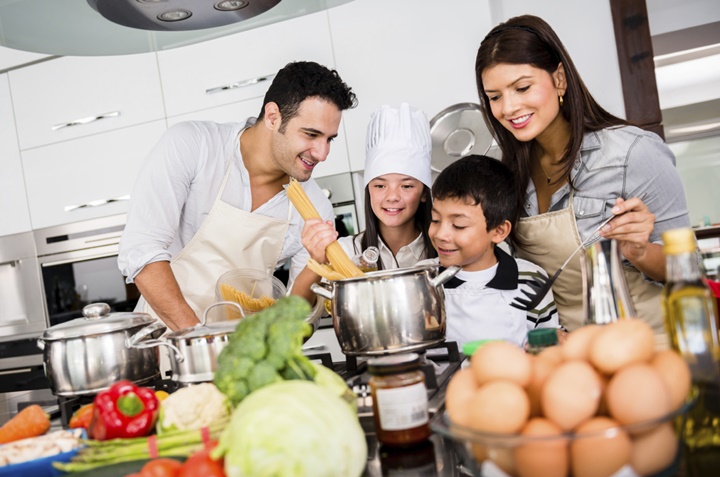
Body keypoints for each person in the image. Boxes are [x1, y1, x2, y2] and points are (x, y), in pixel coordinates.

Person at [475, 15, 690, 338]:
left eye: (522, 87)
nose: (509, 107)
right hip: (570, 358)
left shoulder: (632, 152)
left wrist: (641, 252)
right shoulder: (508, 175)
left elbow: (691, 272)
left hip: (649, 349)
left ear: (559, 79)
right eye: (494, 97)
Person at [118, 61, 357, 331]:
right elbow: (142, 251)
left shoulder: (314, 208)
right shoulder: (193, 146)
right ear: (273, 116)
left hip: (242, 359)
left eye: (330, 139)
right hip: (164, 345)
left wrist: (317, 263)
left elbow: (294, 321)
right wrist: (202, 343)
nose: (322, 153)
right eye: (311, 134)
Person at [423, 154, 560, 348]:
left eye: (458, 225)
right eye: (435, 220)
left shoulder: (531, 279)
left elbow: (548, 347)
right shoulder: (420, 279)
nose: (440, 234)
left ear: (499, 231)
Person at [301, 103, 437, 270]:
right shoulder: (346, 251)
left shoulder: (444, 250)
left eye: (407, 186)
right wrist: (317, 260)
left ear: (424, 193)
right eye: (380, 185)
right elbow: (295, 297)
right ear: (368, 190)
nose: (392, 196)